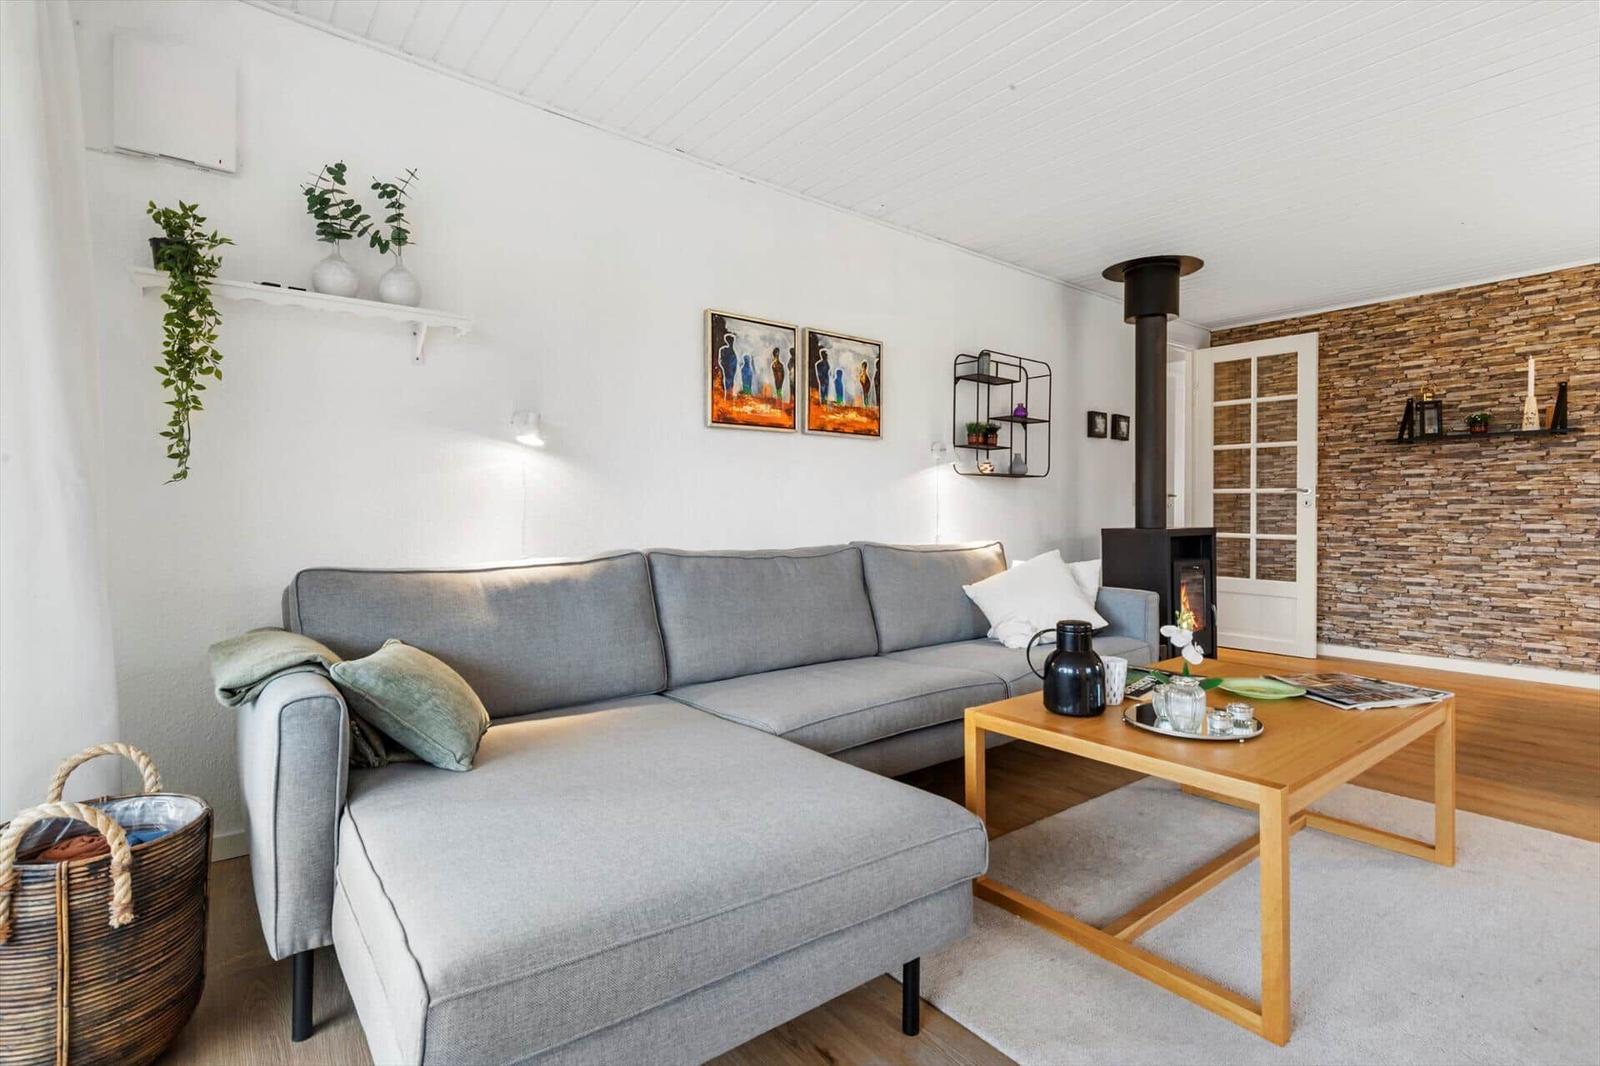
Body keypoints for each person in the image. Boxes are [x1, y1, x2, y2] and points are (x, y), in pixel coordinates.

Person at [716, 333, 738, 398]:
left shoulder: (734, 351)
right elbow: (721, 360)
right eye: (731, 341)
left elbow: (735, 362)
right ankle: (727, 395)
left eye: (732, 341)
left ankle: (729, 395)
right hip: (727, 368)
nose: (732, 342)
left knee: (731, 381)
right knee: (727, 381)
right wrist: (724, 366)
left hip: (731, 369)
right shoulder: (724, 350)